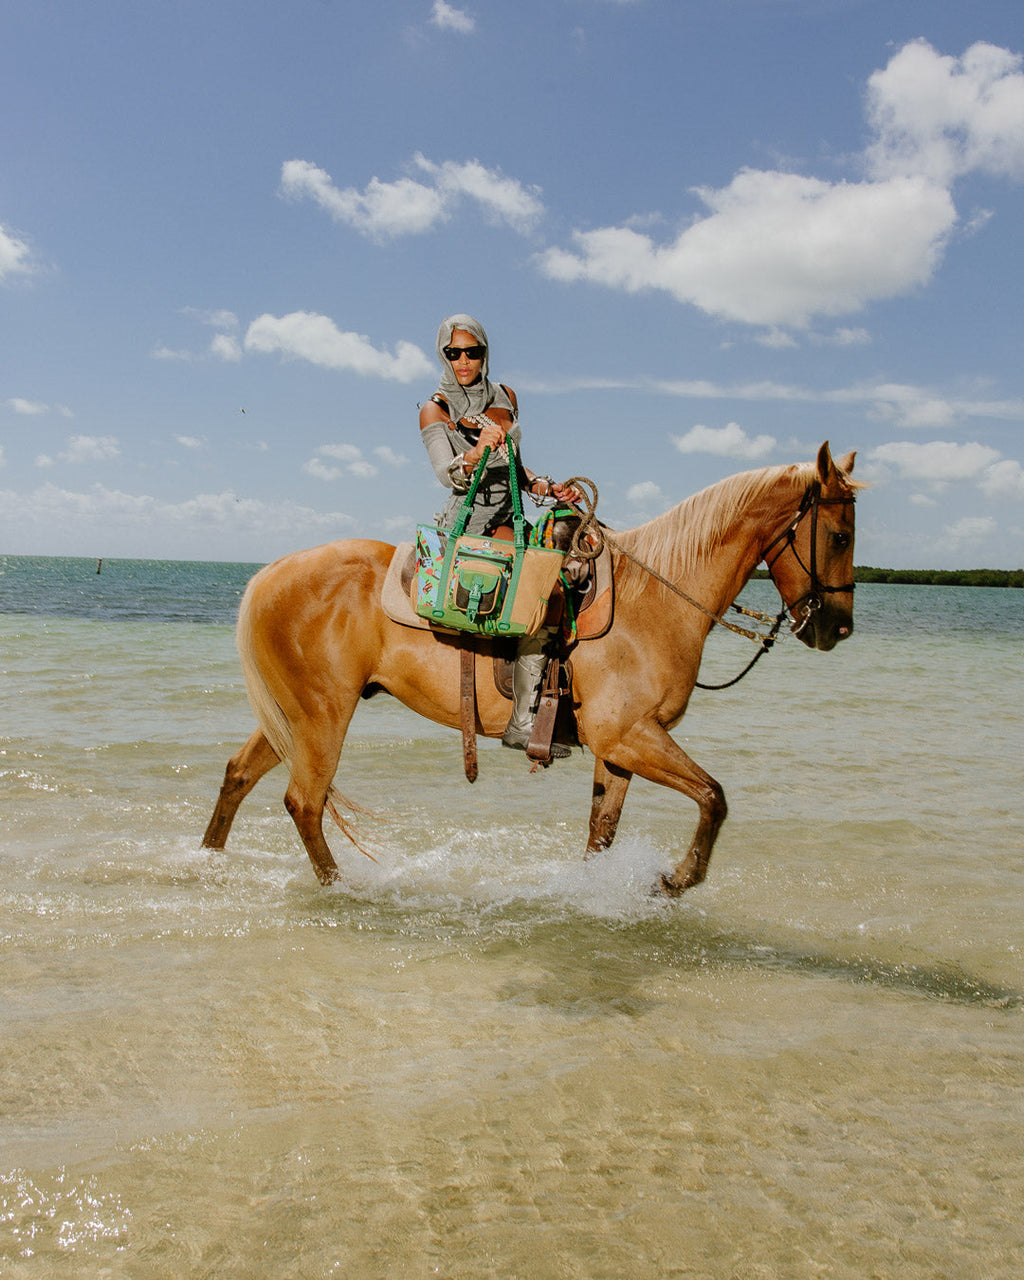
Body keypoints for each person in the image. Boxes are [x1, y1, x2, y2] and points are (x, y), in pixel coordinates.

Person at [419, 314, 578, 756]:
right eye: (454, 353)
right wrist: (477, 450)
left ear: (485, 352)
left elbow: (513, 466)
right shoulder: (436, 408)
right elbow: (446, 474)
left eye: (473, 351)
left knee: (552, 586)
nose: (464, 360)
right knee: (530, 599)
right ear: (443, 355)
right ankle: (523, 723)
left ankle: (530, 713)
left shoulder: (505, 396)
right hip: (466, 522)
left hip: (511, 514)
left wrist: (543, 485)